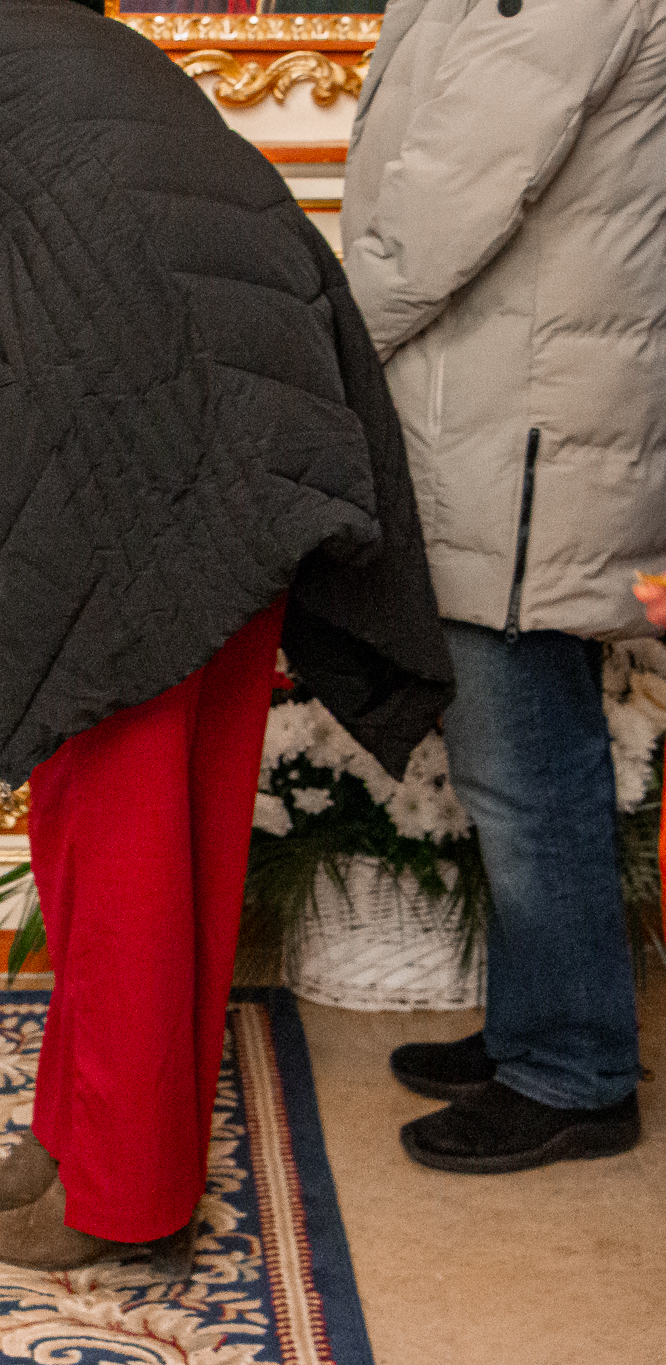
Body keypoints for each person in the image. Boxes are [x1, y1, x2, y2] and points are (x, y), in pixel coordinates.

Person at [0, 0, 453, 1270]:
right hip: (275, 413)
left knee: (114, 836)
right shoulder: (71, 32)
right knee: (172, 819)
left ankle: (120, 1193)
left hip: (128, 432)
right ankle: (76, 1132)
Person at [343, 0, 665, 1174]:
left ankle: (572, 1071)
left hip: (525, 423)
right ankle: (539, 1027)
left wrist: (331, 343)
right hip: (503, 405)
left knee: (526, 769)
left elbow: (452, 187)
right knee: (525, 756)